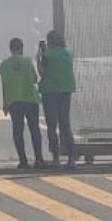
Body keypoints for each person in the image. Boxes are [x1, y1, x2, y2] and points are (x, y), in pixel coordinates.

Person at [0, 38, 44, 169]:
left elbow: (4, 85)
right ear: (21, 48)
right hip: (30, 99)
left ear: (10, 48)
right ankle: (39, 159)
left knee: (18, 131)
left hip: (14, 100)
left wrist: (5, 103)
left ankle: (23, 160)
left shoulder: (4, 65)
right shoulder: (27, 61)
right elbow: (35, 79)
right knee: (34, 130)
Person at [38, 29, 76, 168]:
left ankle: (56, 157)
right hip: (66, 90)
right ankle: (72, 158)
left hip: (50, 91)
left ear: (50, 42)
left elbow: (42, 72)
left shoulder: (47, 54)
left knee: (52, 125)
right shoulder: (69, 53)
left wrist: (40, 53)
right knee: (65, 123)